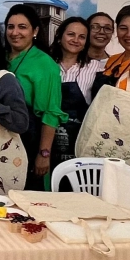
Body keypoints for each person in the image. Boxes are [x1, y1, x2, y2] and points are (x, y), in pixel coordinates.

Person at [3, 5, 67, 190]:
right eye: (10, 27)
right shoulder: (0, 58)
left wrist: (43, 154)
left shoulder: (45, 64)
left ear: (35, 31)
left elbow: (50, 113)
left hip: (30, 141)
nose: (15, 32)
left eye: (22, 27)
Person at [49, 16, 95, 170]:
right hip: (47, 139)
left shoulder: (96, 68)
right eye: (71, 34)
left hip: (81, 142)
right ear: (59, 36)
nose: (76, 40)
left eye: (82, 37)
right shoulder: (46, 65)